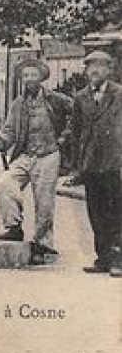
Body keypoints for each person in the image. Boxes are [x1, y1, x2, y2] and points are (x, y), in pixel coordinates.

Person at [0, 56, 72, 265]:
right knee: (5, 184)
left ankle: (42, 245)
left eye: (33, 75)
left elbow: (75, 115)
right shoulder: (18, 104)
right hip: (25, 155)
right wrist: (1, 141)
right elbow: (9, 130)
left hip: (48, 154)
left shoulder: (55, 99)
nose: (29, 79)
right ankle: (13, 228)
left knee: (44, 200)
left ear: (41, 77)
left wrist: (64, 138)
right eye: (25, 75)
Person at [69, 50, 122, 277]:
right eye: (90, 67)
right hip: (91, 163)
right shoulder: (81, 98)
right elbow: (77, 132)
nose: (94, 71)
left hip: (114, 161)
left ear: (109, 70)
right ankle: (102, 258)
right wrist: (76, 164)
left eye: (100, 67)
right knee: (96, 211)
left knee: (116, 211)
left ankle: (118, 260)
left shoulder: (119, 94)